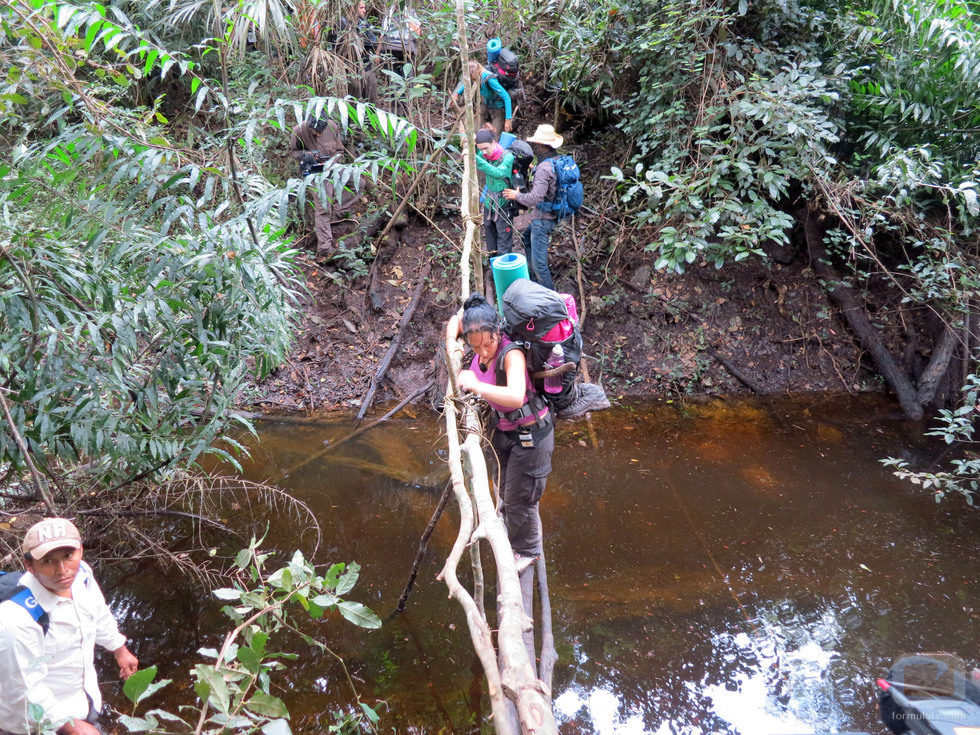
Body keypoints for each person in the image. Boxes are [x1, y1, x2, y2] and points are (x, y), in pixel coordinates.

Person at [0, 518, 138, 735]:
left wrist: (119, 648)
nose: (63, 570)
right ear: (30, 566)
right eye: (48, 561)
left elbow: (97, 612)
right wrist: (70, 726)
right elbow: (22, 691)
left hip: (82, 707)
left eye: (68, 556)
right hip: (37, 725)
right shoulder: (16, 619)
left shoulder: (82, 574)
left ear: (80, 551)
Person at [447, 293, 554, 571]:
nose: (483, 351)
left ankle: (528, 550)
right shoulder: (476, 337)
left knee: (521, 498)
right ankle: (513, 532)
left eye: (488, 342)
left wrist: (475, 384)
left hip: (532, 435)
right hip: (506, 433)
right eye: (475, 346)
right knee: (507, 490)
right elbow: (455, 320)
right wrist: (456, 333)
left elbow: (517, 396)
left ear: (498, 331)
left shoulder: (511, 354)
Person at [502, 123, 562, 291]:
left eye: (536, 145)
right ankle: (535, 283)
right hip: (554, 213)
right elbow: (551, 179)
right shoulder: (555, 160)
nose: (534, 147)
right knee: (526, 238)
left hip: (544, 219)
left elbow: (535, 197)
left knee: (539, 264)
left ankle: (550, 300)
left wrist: (516, 196)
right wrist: (533, 168)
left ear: (542, 146)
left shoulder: (544, 168)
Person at [289, 114, 343, 258]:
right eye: (315, 132)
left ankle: (336, 214)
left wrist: (331, 161)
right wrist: (306, 155)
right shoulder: (299, 130)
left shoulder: (332, 126)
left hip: (332, 168)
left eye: (320, 132)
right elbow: (294, 151)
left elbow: (339, 150)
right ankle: (325, 247)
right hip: (314, 173)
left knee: (360, 184)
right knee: (323, 206)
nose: (318, 135)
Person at [474, 128, 516, 257]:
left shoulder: (507, 157)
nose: (484, 152)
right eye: (481, 149)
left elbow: (499, 173)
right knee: (489, 230)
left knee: (504, 237)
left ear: (493, 142)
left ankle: (504, 270)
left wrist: (475, 158)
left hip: (504, 202)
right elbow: (477, 154)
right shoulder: (485, 155)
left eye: (486, 148)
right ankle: (493, 265)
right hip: (489, 201)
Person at [452, 60, 513, 137]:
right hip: (486, 104)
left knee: (493, 137)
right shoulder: (473, 77)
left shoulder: (490, 80)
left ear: (480, 72)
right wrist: (457, 93)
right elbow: (468, 83)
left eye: (475, 79)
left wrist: (508, 119)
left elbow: (506, 97)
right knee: (476, 132)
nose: (474, 82)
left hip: (498, 107)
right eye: (472, 80)